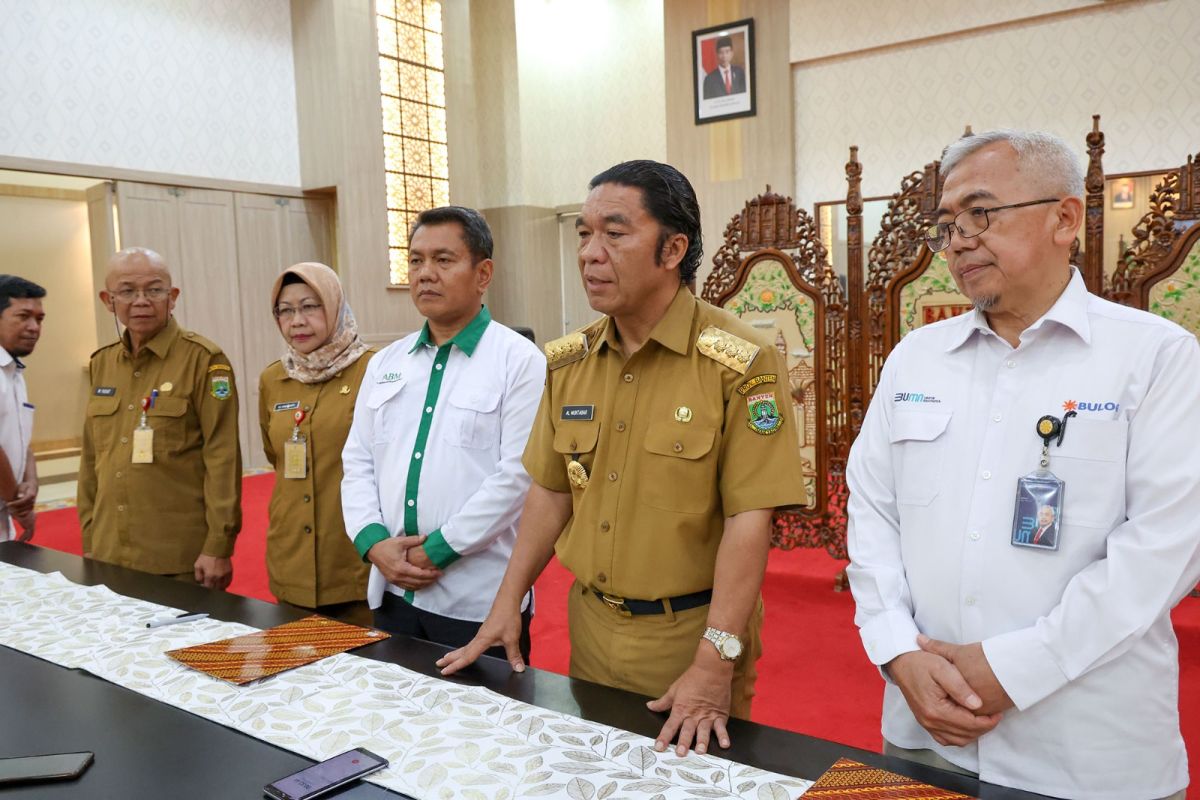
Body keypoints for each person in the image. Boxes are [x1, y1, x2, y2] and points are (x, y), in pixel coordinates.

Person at [846, 129, 1200, 800]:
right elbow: (872, 514)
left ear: (1065, 218)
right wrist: (895, 650)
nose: (958, 240)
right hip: (923, 732)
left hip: (1083, 751)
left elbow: (1162, 551)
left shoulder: (1154, 357)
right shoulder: (915, 359)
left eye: (981, 213)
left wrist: (1014, 669)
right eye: (946, 224)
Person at [437, 160, 806, 758]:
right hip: (591, 625)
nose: (590, 253)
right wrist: (505, 604)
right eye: (584, 234)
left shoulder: (741, 363)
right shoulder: (568, 363)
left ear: (673, 249)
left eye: (614, 232)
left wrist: (716, 661)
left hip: (688, 634)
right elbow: (551, 492)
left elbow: (750, 520)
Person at [342, 206, 546, 656]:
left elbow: (519, 475)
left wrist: (439, 549)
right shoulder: (385, 363)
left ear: (483, 272)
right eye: (415, 261)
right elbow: (357, 461)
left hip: (477, 602)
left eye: (443, 260)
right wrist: (373, 543)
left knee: (483, 722)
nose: (425, 274)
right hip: (392, 592)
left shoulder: (520, 361)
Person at [78, 247, 242, 589]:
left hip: (177, 555)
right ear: (108, 300)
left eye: (154, 290)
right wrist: (91, 534)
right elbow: (92, 458)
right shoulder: (102, 363)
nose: (141, 301)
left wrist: (218, 545)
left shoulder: (205, 360)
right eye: (127, 291)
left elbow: (222, 457)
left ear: (173, 297)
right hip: (110, 550)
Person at [258, 263, 374, 622]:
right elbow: (274, 454)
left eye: (310, 306)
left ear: (335, 307)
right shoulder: (273, 379)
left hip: (356, 561)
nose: (297, 321)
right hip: (291, 560)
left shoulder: (374, 370)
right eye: (286, 310)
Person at [0, 276, 45, 542]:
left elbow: (19, 436)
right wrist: (20, 503)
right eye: (23, 316)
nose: (34, 327)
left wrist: (31, 480)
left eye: (39, 319)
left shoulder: (13, 371)